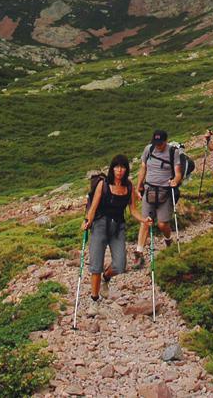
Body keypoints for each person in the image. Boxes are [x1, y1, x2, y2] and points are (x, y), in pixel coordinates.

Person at [81, 154, 141, 313]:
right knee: (96, 265)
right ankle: (94, 300)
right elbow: (93, 207)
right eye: (116, 167)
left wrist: (144, 220)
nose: (119, 170)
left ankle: (106, 278)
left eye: (122, 167)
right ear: (112, 168)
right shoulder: (103, 184)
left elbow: (133, 209)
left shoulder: (129, 186)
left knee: (120, 265)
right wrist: (87, 221)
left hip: (118, 227)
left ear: (126, 170)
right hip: (100, 225)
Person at [134, 129, 184, 267]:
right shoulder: (148, 149)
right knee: (145, 222)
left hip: (165, 192)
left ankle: (168, 239)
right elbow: (143, 168)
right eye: (156, 143)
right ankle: (139, 253)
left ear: (166, 141)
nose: (158, 146)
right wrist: (138, 186)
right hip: (149, 190)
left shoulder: (173, 152)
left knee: (162, 224)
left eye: (160, 143)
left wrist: (175, 180)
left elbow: (178, 172)